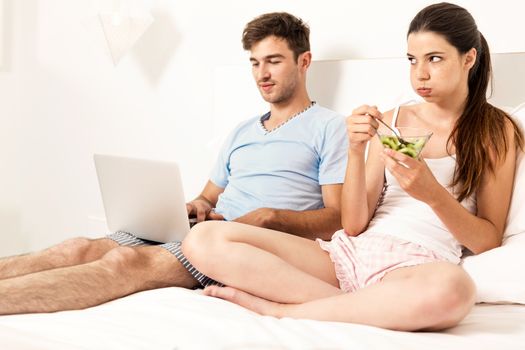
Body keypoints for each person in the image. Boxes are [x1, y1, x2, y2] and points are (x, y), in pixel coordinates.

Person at [182, 2, 524, 331]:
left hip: (416, 265)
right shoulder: (393, 121)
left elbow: (488, 240)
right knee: (202, 239)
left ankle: (283, 309)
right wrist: (356, 149)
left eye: (434, 59)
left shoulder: (495, 132)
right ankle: (359, 305)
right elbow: (354, 224)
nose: (420, 74)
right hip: (348, 254)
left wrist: (432, 194)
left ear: (469, 58)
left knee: (456, 291)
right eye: (412, 60)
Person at [0, 12, 348, 314]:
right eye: (255, 63)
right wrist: (195, 206)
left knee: (125, 262)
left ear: (304, 62)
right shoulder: (242, 131)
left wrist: (271, 217)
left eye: (274, 60)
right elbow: (208, 198)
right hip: (205, 228)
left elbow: (338, 219)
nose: (262, 74)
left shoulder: (329, 126)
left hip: (237, 247)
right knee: (78, 247)